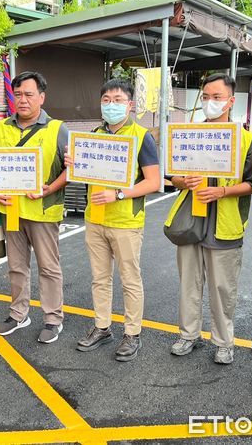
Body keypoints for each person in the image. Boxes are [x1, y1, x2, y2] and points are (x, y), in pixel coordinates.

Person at [166, 73, 252, 365]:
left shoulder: (246, 140)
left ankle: (223, 341)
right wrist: (183, 181)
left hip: (225, 225)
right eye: (205, 97)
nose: (210, 102)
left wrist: (222, 190)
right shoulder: (188, 134)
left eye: (216, 97)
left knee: (222, 288)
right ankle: (188, 334)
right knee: (188, 283)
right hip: (190, 223)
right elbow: (173, 176)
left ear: (231, 101)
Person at [74, 79, 160, 362]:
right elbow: (87, 174)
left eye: (118, 99)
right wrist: (74, 165)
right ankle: (102, 327)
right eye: (107, 100)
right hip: (95, 218)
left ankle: (132, 333)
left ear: (130, 104)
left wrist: (120, 194)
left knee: (129, 279)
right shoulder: (94, 135)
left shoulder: (141, 136)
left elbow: (153, 182)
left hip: (125, 221)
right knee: (99, 278)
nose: (112, 104)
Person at [0, 71, 68, 344]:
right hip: (11, 211)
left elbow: (73, 169)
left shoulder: (58, 129)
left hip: (43, 211)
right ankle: (19, 313)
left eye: (29, 94)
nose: (22, 100)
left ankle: (53, 318)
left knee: (49, 267)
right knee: (16, 266)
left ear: (42, 97)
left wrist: (51, 187)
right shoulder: (1, 128)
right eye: (18, 94)